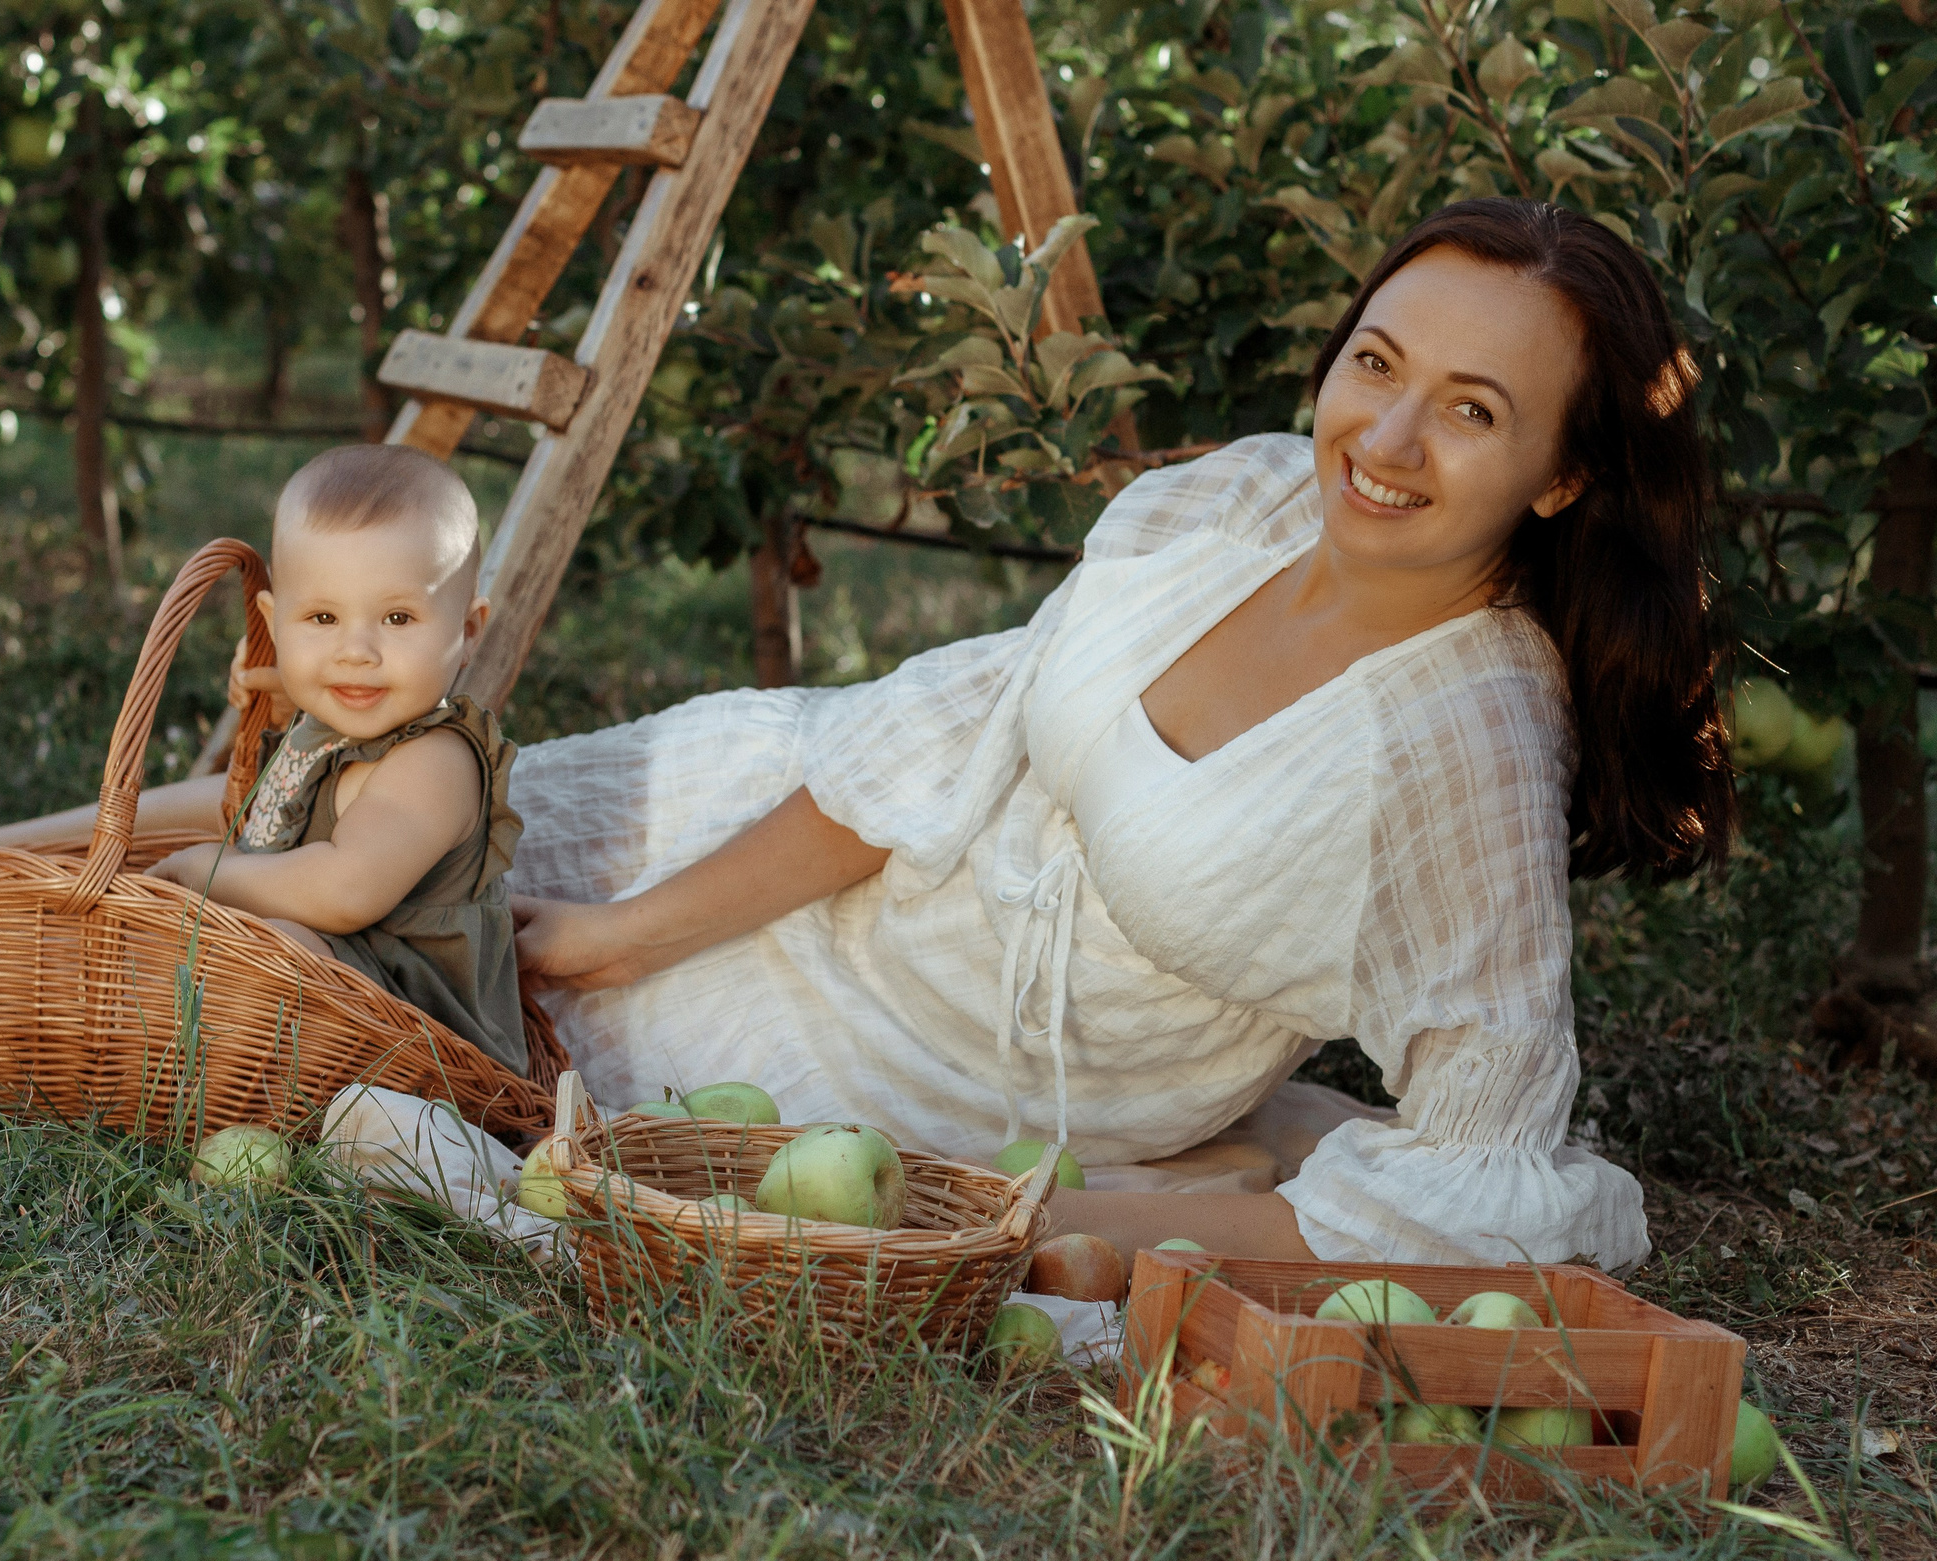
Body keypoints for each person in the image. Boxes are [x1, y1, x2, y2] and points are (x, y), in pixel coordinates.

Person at [506, 198, 1734, 1270]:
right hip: (784, 849)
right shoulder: (1248, 497)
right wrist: (621, 937)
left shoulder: (1461, 742)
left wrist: (1040, 1223)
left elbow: (1479, 1175)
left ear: (1561, 478)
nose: (1385, 440)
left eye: (1470, 410)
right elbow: (943, 738)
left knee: (463, 1113)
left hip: (926, 1087)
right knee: (401, 855)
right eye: (1375, 363)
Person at [0, 445, 530, 1076]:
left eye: (398, 618)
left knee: (271, 945)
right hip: (318, 1014)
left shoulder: (436, 761)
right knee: (166, 824)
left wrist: (198, 872)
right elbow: (288, 786)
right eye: (322, 618)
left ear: (467, 629)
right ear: (276, 622)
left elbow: (344, 891)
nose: (355, 650)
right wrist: (283, 686)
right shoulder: (339, 719)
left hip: (414, 1047)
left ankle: (70, 1012)